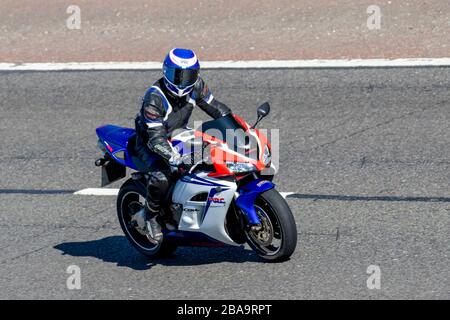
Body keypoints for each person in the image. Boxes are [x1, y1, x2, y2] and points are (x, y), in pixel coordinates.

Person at [134, 48, 231, 243]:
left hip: (179, 132)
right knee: (163, 176)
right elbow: (155, 138)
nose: (182, 81)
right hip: (149, 141)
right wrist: (173, 157)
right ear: (165, 71)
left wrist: (237, 127)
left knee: (214, 158)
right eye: (177, 75)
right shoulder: (154, 98)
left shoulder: (197, 86)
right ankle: (150, 216)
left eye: (188, 75)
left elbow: (216, 108)